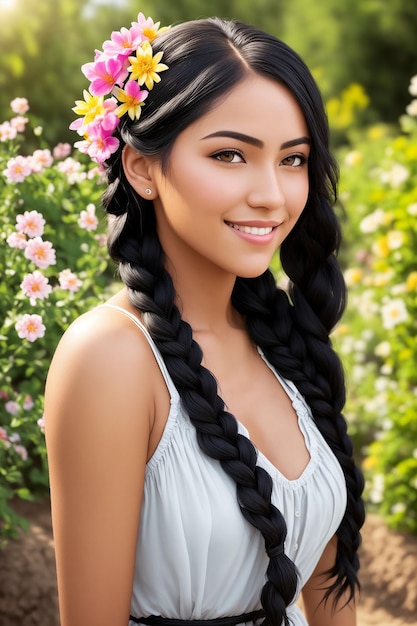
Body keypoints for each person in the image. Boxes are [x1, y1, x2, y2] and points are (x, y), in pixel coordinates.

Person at [44, 12, 365, 626]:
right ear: (142, 168)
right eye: (229, 155)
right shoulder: (110, 359)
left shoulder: (287, 341)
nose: (272, 193)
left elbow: (329, 598)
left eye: (292, 160)